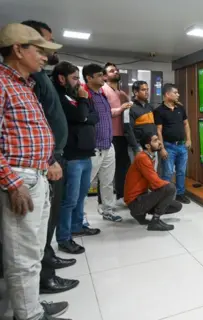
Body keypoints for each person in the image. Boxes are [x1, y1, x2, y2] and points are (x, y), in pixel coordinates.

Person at [0, 23, 69, 320]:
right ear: (18, 49)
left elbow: (31, 132)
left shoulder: (24, 84)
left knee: (35, 249)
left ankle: (32, 306)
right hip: (19, 179)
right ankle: (28, 316)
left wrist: (48, 160)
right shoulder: (2, 83)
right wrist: (13, 182)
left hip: (37, 175)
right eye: (39, 51)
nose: (44, 58)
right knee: (23, 256)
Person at [20, 19, 80, 296]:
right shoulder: (23, 81)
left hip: (51, 160)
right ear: (21, 48)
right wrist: (51, 158)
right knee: (35, 232)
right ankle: (44, 279)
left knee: (48, 221)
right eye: (42, 45)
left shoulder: (38, 78)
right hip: (38, 166)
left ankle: (48, 263)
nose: (46, 53)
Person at [53, 61, 101, 254]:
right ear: (62, 78)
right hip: (72, 157)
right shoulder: (61, 98)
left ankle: (77, 226)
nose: (78, 83)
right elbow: (81, 116)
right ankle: (64, 238)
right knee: (69, 200)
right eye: (75, 78)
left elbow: (94, 116)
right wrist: (83, 107)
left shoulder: (78, 96)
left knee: (81, 197)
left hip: (86, 154)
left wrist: (84, 112)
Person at [83, 63, 123, 222]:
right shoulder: (85, 94)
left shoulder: (101, 94)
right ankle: (80, 218)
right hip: (93, 148)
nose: (103, 78)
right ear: (89, 77)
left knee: (107, 182)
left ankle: (108, 210)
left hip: (108, 144)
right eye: (99, 75)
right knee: (84, 185)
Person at [124, 134, 183, 231]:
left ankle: (139, 214)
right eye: (155, 140)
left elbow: (152, 184)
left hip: (141, 198)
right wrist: (167, 190)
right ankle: (155, 221)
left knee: (176, 206)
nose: (159, 142)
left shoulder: (149, 157)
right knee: (170, 188)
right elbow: (155, 182)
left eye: (158, 140)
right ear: (147, 146)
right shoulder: (142, 158)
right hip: (135, 202)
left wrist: (163, 194)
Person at [154, 83, 192, 204]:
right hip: (168, 146)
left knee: (181, 171)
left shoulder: (180, 108)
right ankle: (166, 197)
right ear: (167, 94)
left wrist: (189, 139)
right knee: (168, 173)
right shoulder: (159, 111)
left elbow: (186, 124)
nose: (178, 94)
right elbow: (158, 130)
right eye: (175, 93)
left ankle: (180, 194)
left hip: (182, 146)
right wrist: (162, 148)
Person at [102, 62, 132, 202]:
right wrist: (120, 109)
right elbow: (103, 112)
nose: (116, 72)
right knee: (106, 171)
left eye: (117, 70)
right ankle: (103, 202)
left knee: (123, 167)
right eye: (111, 71)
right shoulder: (102, 91)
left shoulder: (121, 93)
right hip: (109, 136)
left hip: (122, 136)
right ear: (104, 76)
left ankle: (121, 195)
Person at [124, 80, 157, 162]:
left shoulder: (150, 107)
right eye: (143, 90)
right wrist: (136, 147)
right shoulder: (129, 108)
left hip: (151, 146)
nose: (146, 92)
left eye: (147, 89)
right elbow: (128, 130)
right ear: (135, 92)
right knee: (138, 173)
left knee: (151, 172)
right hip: (138, 147)